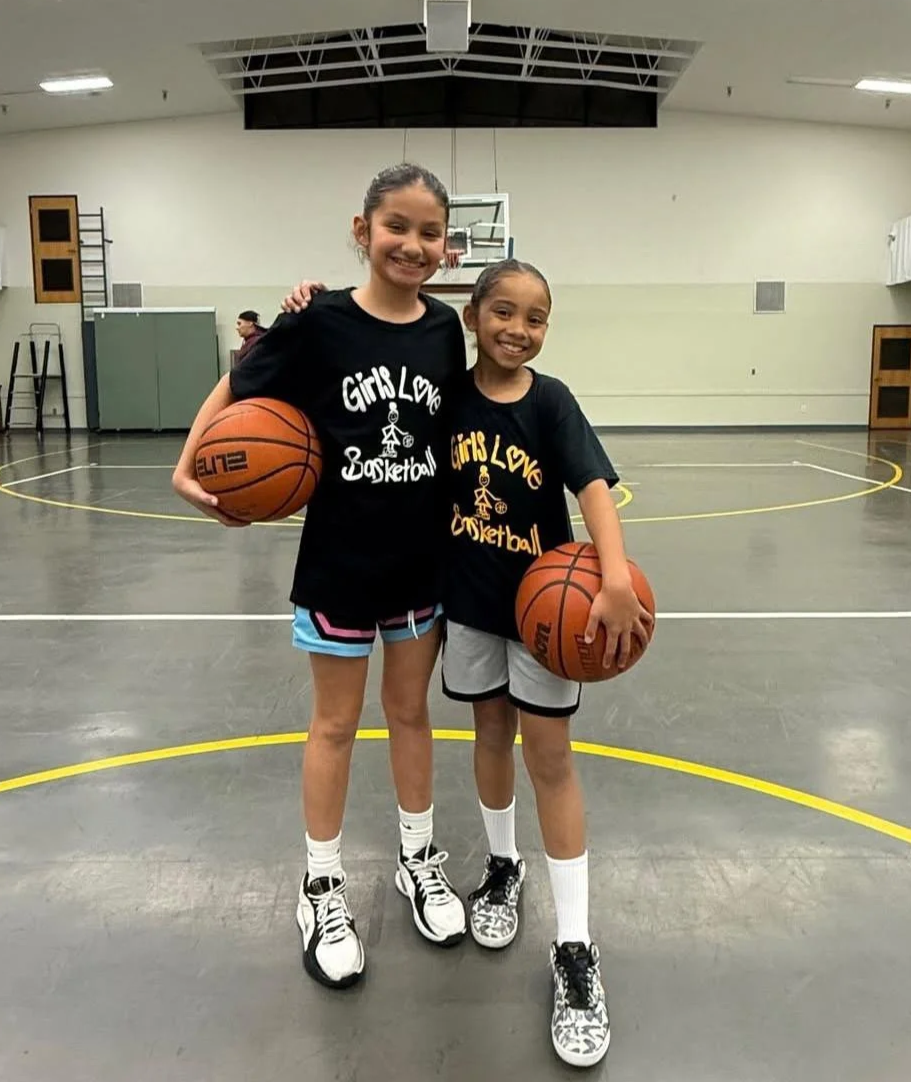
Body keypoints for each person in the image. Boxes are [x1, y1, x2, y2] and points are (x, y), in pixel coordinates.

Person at [283, 261, 652, 1067]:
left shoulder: (550, 400)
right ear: (472, 317)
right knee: (489, 739)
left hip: (544, 614)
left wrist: (614, 572)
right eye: (504, 313)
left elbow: (591, 485)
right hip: (471, 608)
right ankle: (500, 867)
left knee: (549, 761)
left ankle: (575, 950)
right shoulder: (444, 397)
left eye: (537, 317)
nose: (519, 329)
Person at [171, 163, 469, 992]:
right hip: (339, 561)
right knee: (333, 726)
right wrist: (187, 467)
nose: (412, 244)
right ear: (360, 229)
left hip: (419, 559)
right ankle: (322, 886)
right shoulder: (318, 319)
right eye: (396, 226)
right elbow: (238, 386)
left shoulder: (445, 330)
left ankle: (416, 860)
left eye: (428, 232)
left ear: (446, 247)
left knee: (409, 715)